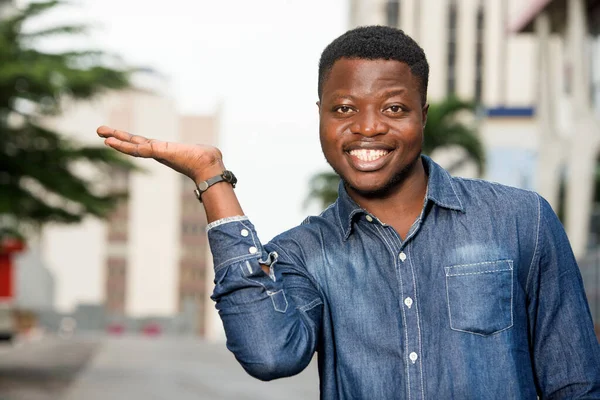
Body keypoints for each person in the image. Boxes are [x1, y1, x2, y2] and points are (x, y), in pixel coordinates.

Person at [96, 26, 600, 399]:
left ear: (423, 115)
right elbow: (271, 354)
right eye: (344, 109)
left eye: (394, 109)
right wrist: (211, 179)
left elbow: (574, 380)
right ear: (319, 114)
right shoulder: (303, 251)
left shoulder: (520, 219)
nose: (367, 128)